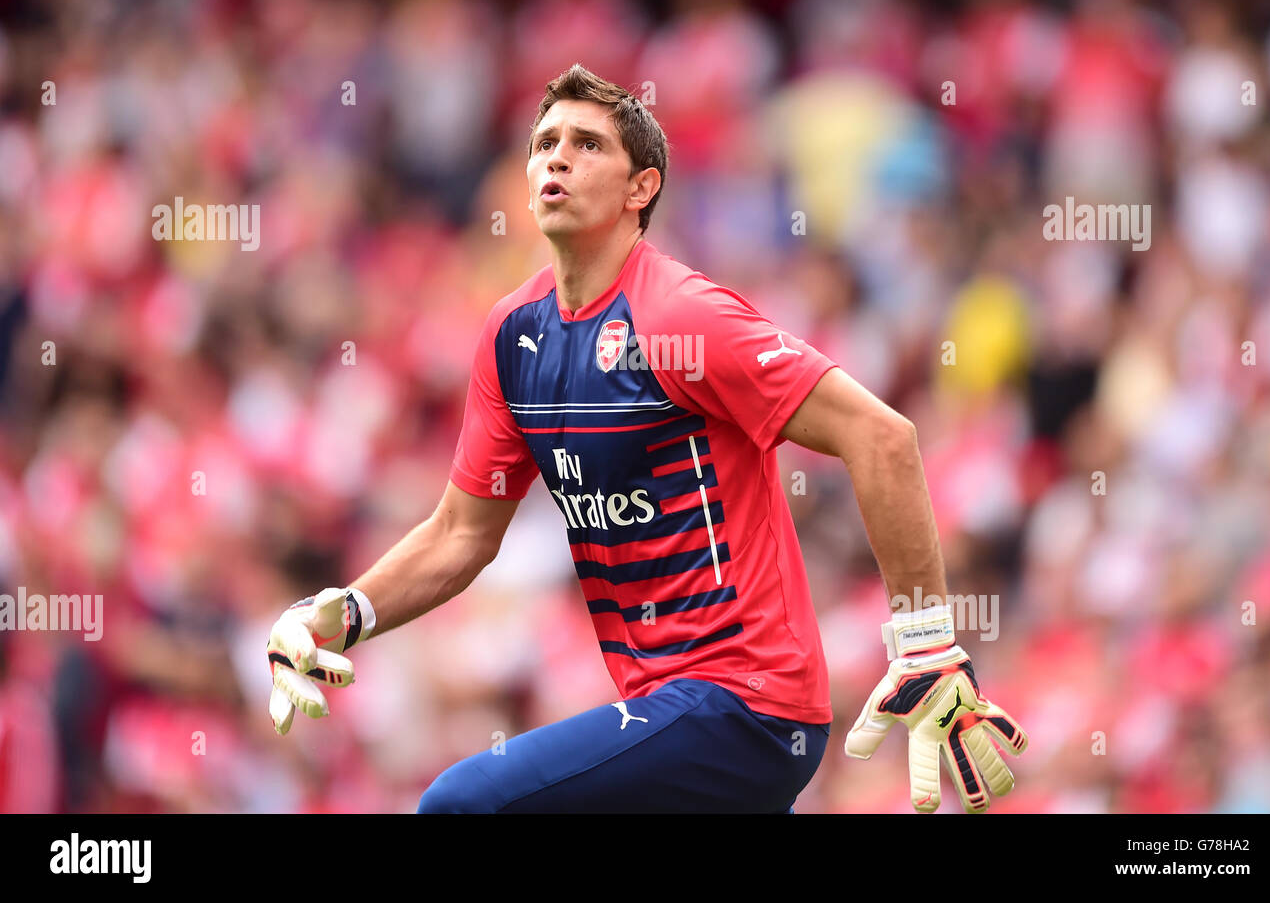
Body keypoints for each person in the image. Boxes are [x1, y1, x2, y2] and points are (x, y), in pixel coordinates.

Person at [266, 63, 1028, 814]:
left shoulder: (681, 318)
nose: (557, 156)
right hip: (666, 710)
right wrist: (341, 612)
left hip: (746, 707)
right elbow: (461, 533)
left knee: (463, 804)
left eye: (588, 144)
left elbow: (882, 437)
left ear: (642, 189)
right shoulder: (510, 335)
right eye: (545, 142)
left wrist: (926, 643)